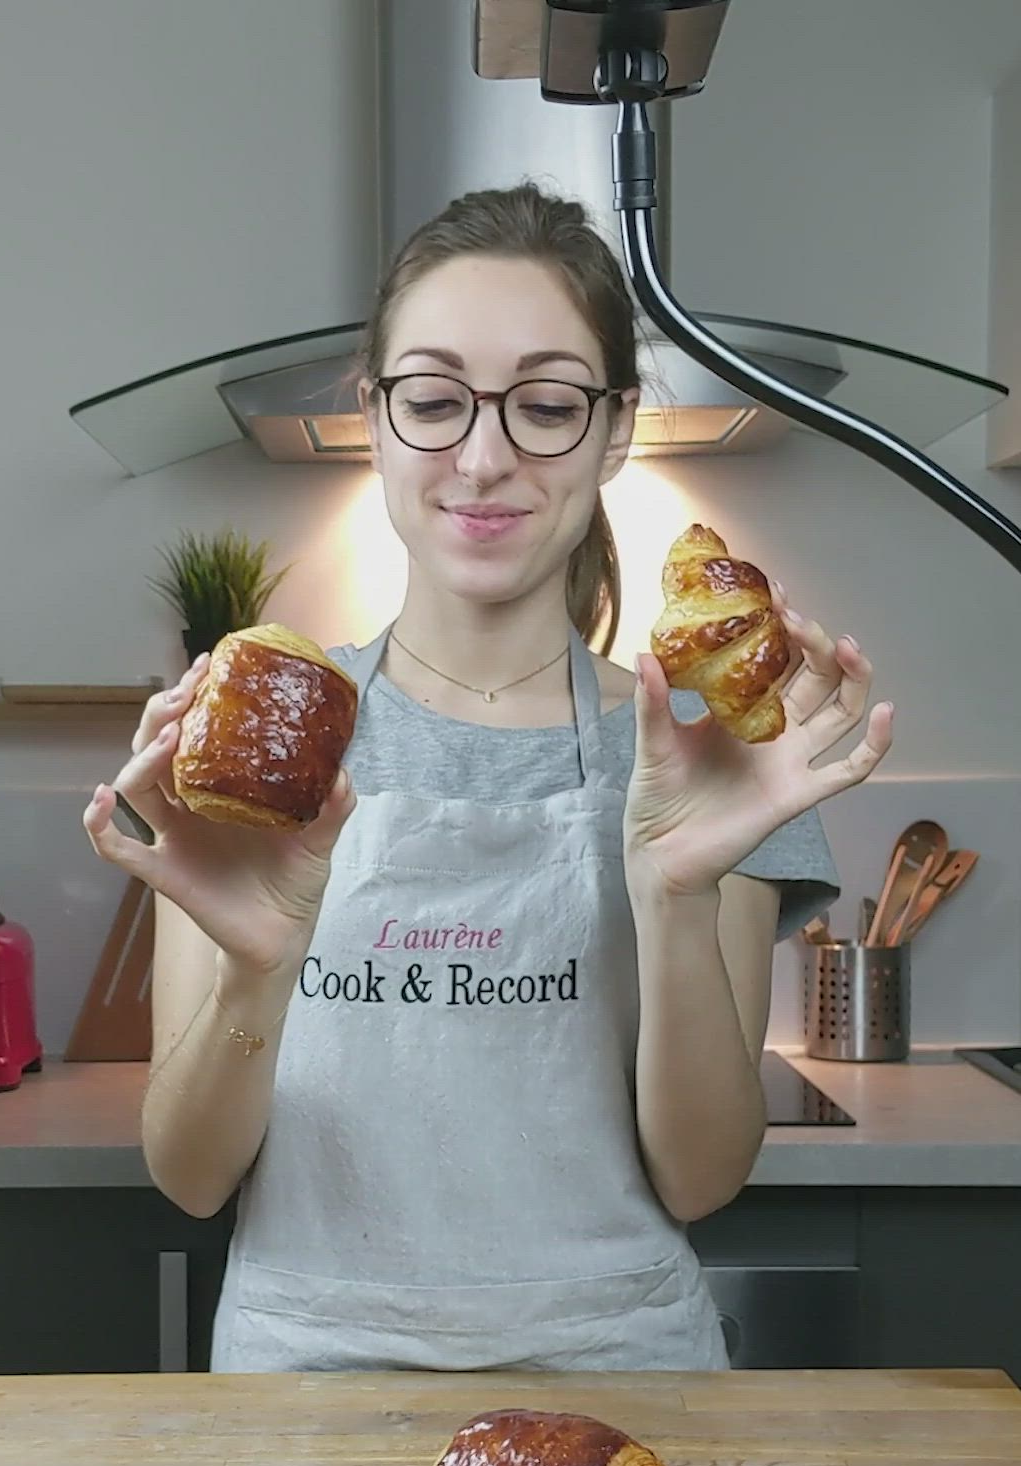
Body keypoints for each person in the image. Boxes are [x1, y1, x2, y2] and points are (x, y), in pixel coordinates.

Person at [84, 183, 892, 1374]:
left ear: (615, 429)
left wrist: (672, 890)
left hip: (623, 1393)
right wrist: (260, 973)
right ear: (378, 416)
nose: (483, 455)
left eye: (548, 404)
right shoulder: (249, 745)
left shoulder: (709, 750)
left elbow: (703, 1175)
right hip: (305, 1401)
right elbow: (193, 1177)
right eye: (434, 399)